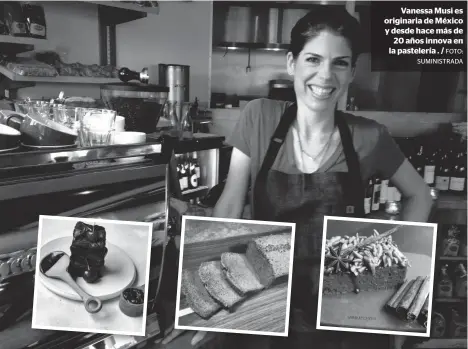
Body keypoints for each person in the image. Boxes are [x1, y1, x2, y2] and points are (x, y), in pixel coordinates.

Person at [160, 5, 433, 349]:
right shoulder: (259, 116)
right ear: (292, 63)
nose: (326, 75)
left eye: (340, 63)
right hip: (265, 295)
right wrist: (216, 300)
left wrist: (394, 268)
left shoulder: (370, 136)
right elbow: (230, 204)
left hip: (342, 302)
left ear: (351, 72)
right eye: (313, 59)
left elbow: (419, 195)